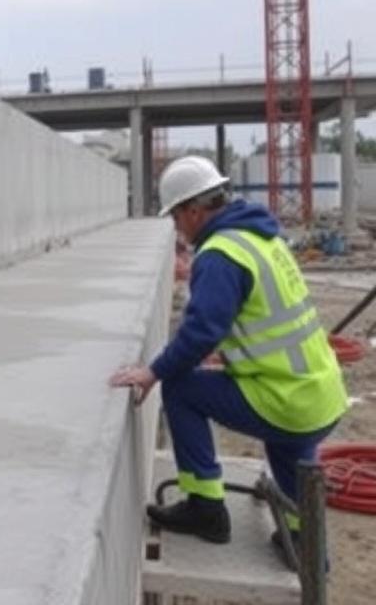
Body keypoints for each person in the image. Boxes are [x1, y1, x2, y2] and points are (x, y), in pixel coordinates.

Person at [109, 156, 348, 551]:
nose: (176, 228)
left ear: (194, 210)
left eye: (176, 217)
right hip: (319, 394)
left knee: (182, 388)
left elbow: (201, 332)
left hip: (286, 400)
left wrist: (153, 372)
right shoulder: (261, 237)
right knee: (290, 450)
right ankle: (306, 541)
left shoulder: (220, 254)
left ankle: (206, 509)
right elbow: (261, 320)